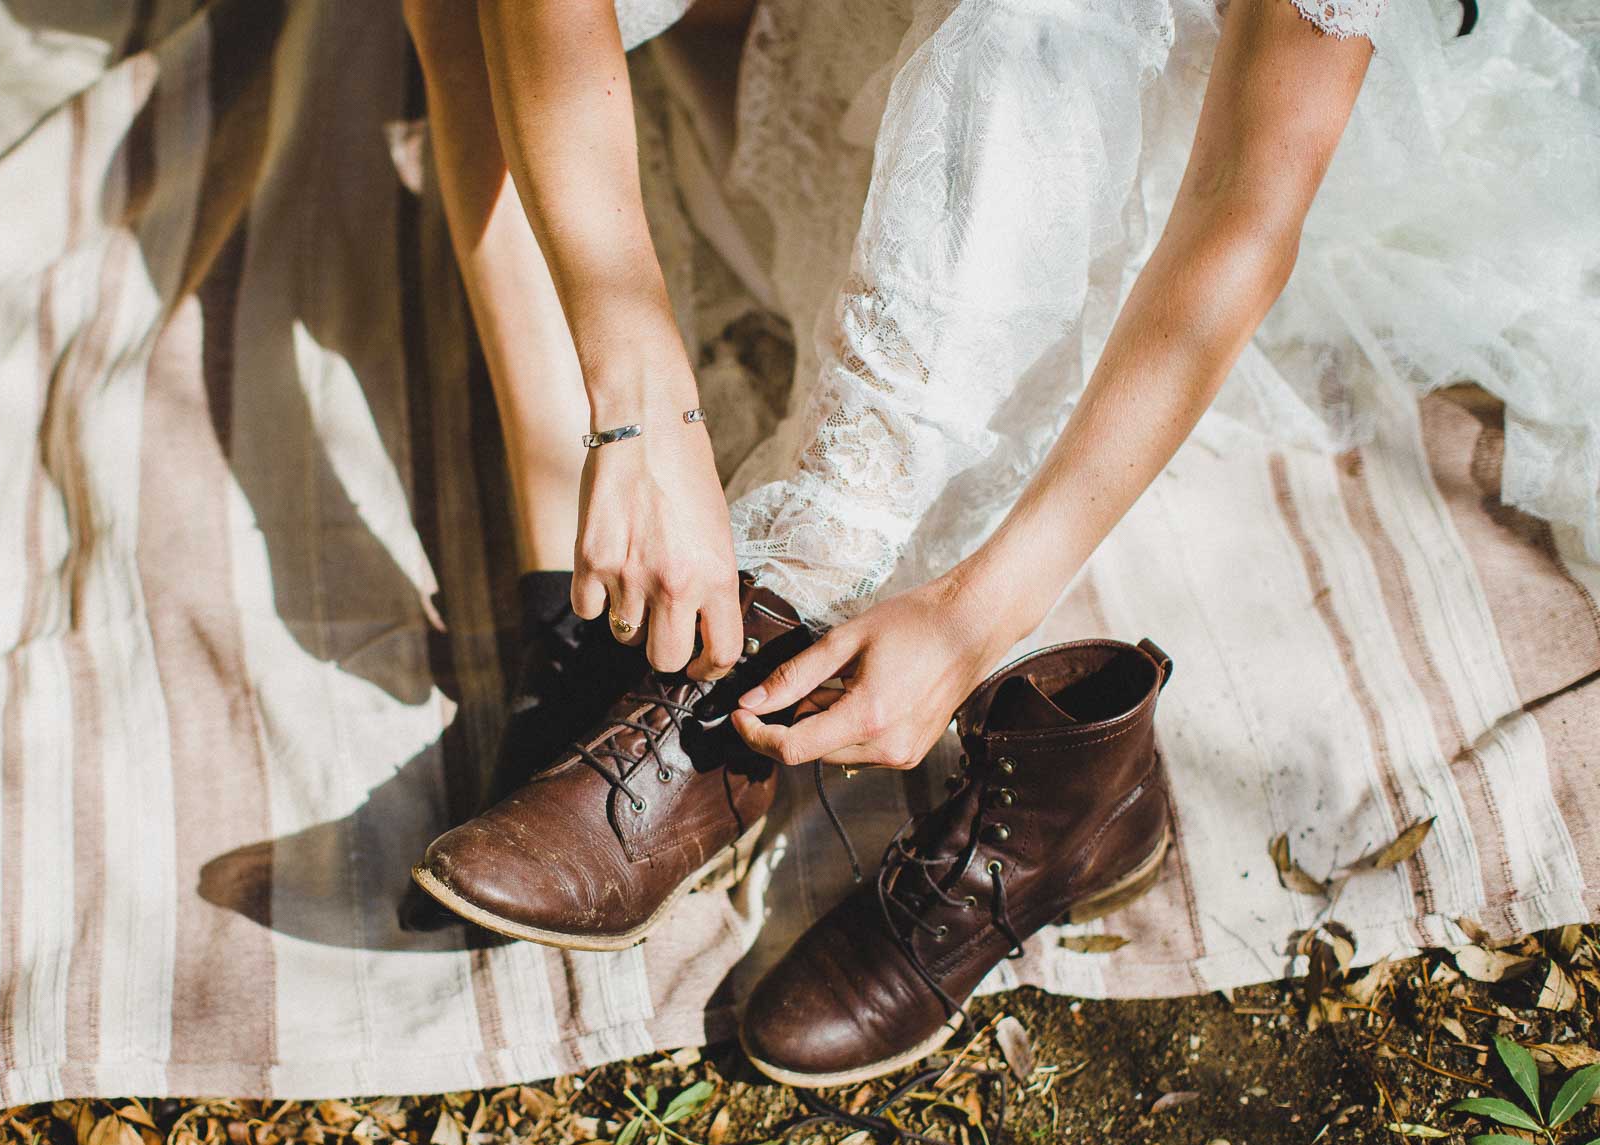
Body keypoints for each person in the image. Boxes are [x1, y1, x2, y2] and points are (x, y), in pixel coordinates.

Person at [401, 0, 1600, 1081]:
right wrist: (634, 398)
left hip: (1090, 107)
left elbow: (1244, 207)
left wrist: (978, 609)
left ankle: (775, 634)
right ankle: (569, 587)